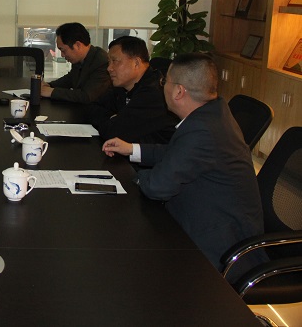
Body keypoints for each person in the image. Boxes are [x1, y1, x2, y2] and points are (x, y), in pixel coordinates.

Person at [102, 53, 264, 278]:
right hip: (204, 223)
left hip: (215, 250)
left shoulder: (201, 130)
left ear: (179, 91)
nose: (162, 87)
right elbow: (178, 153)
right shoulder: (213, 113)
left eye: (164, 82)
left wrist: (134, 176)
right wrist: (132, 149)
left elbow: (157, 187)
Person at [87, 36, 178, 144]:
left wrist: (115, 120)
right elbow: (91, 109)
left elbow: (113, 133)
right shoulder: (122, 86)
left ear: (136, 63)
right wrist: (112, 118)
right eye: (109, 62)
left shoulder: (153, 93)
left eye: (115, 61)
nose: (109, 68)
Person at [40, 22, 111, 103]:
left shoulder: (101, 61)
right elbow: (70, 78)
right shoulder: (80, 59)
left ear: (78, 45)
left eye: (63, 50)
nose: (62, 55)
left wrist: (52, 92)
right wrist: (49, 85)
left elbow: (86, 96)